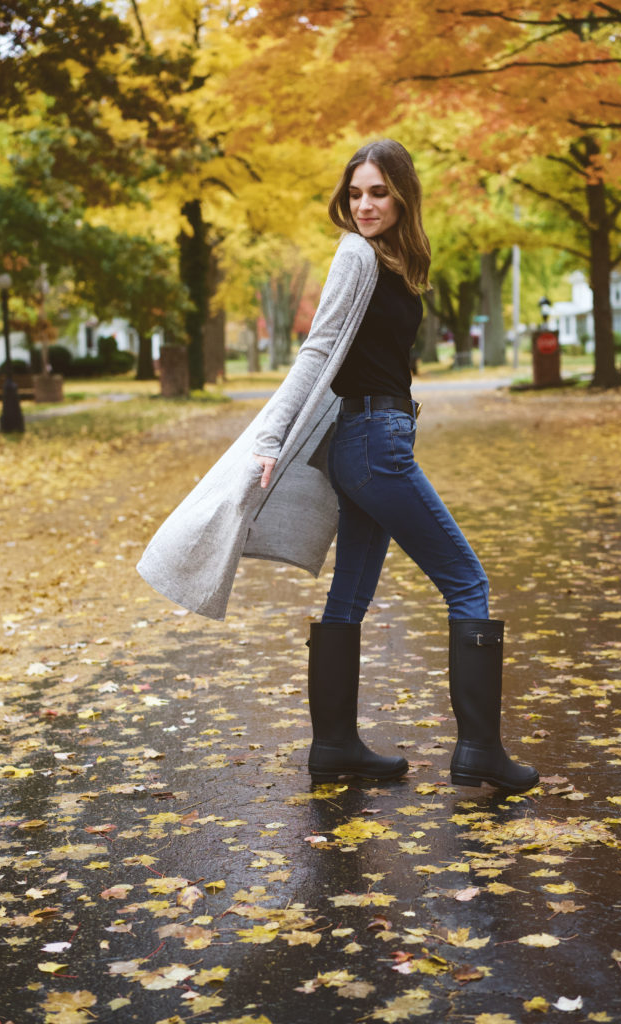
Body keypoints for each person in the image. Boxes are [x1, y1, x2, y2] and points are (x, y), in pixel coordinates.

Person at [137, 139, 537, 794]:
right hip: (372, 445)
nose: (365, 205)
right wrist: (268, 442)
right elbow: (316, 348)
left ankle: (333, 746)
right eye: (355, 194)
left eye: (377, 192)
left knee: (348, 595)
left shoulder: (394, 261)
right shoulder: (355, 254)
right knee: (467, 580)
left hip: (370, 440)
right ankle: (479, 752)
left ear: (403, 194)